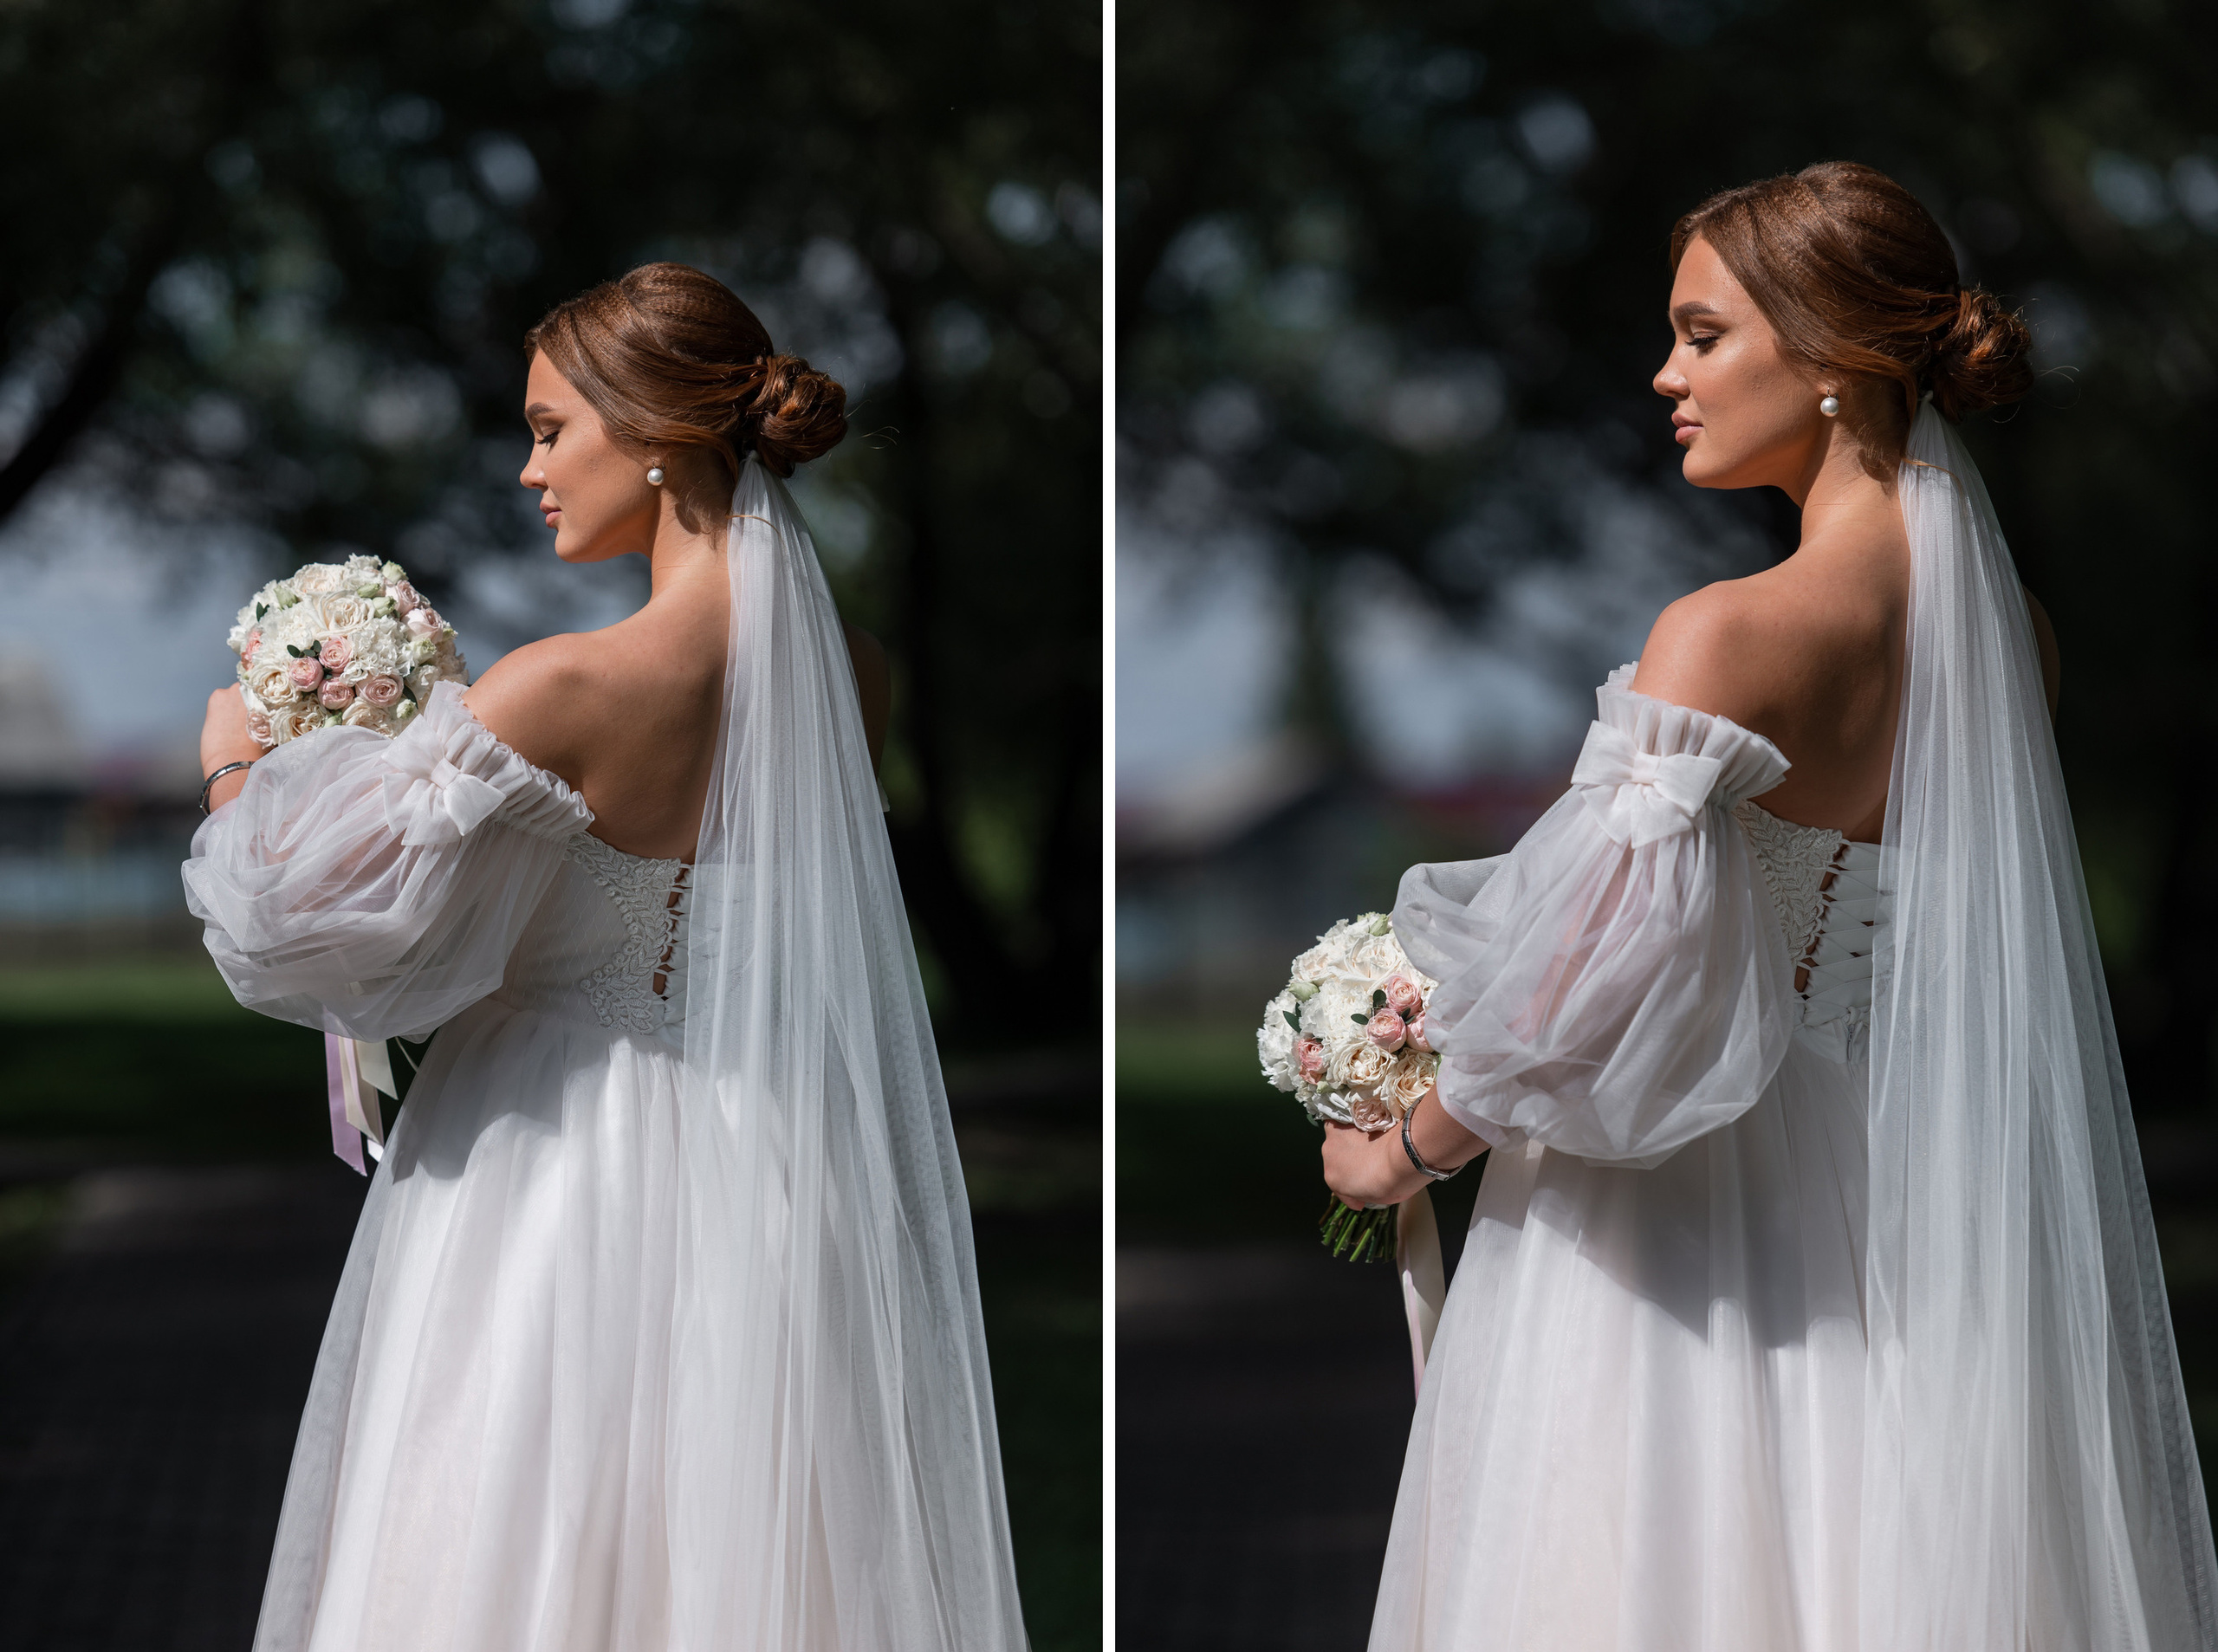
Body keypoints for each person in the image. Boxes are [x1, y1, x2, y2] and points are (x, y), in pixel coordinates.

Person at [1322, 163, 2218, 1649]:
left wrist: (1399, 1152)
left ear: (1830, 359)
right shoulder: (2015, 640)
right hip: (1897, 1210)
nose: (1663, 374)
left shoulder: (1724, 635)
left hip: (1672, 1218)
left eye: (1702, 334)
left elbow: (1590, 994)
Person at [187, 263, 1029, 1650]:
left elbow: (309, 932)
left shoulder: (563, 688)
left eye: (547, 430)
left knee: (504, 1543)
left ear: (651, 436)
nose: (528, 471)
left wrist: (238, 771)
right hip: (769, 1165)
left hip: (542, 1165)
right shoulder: (855, 673)